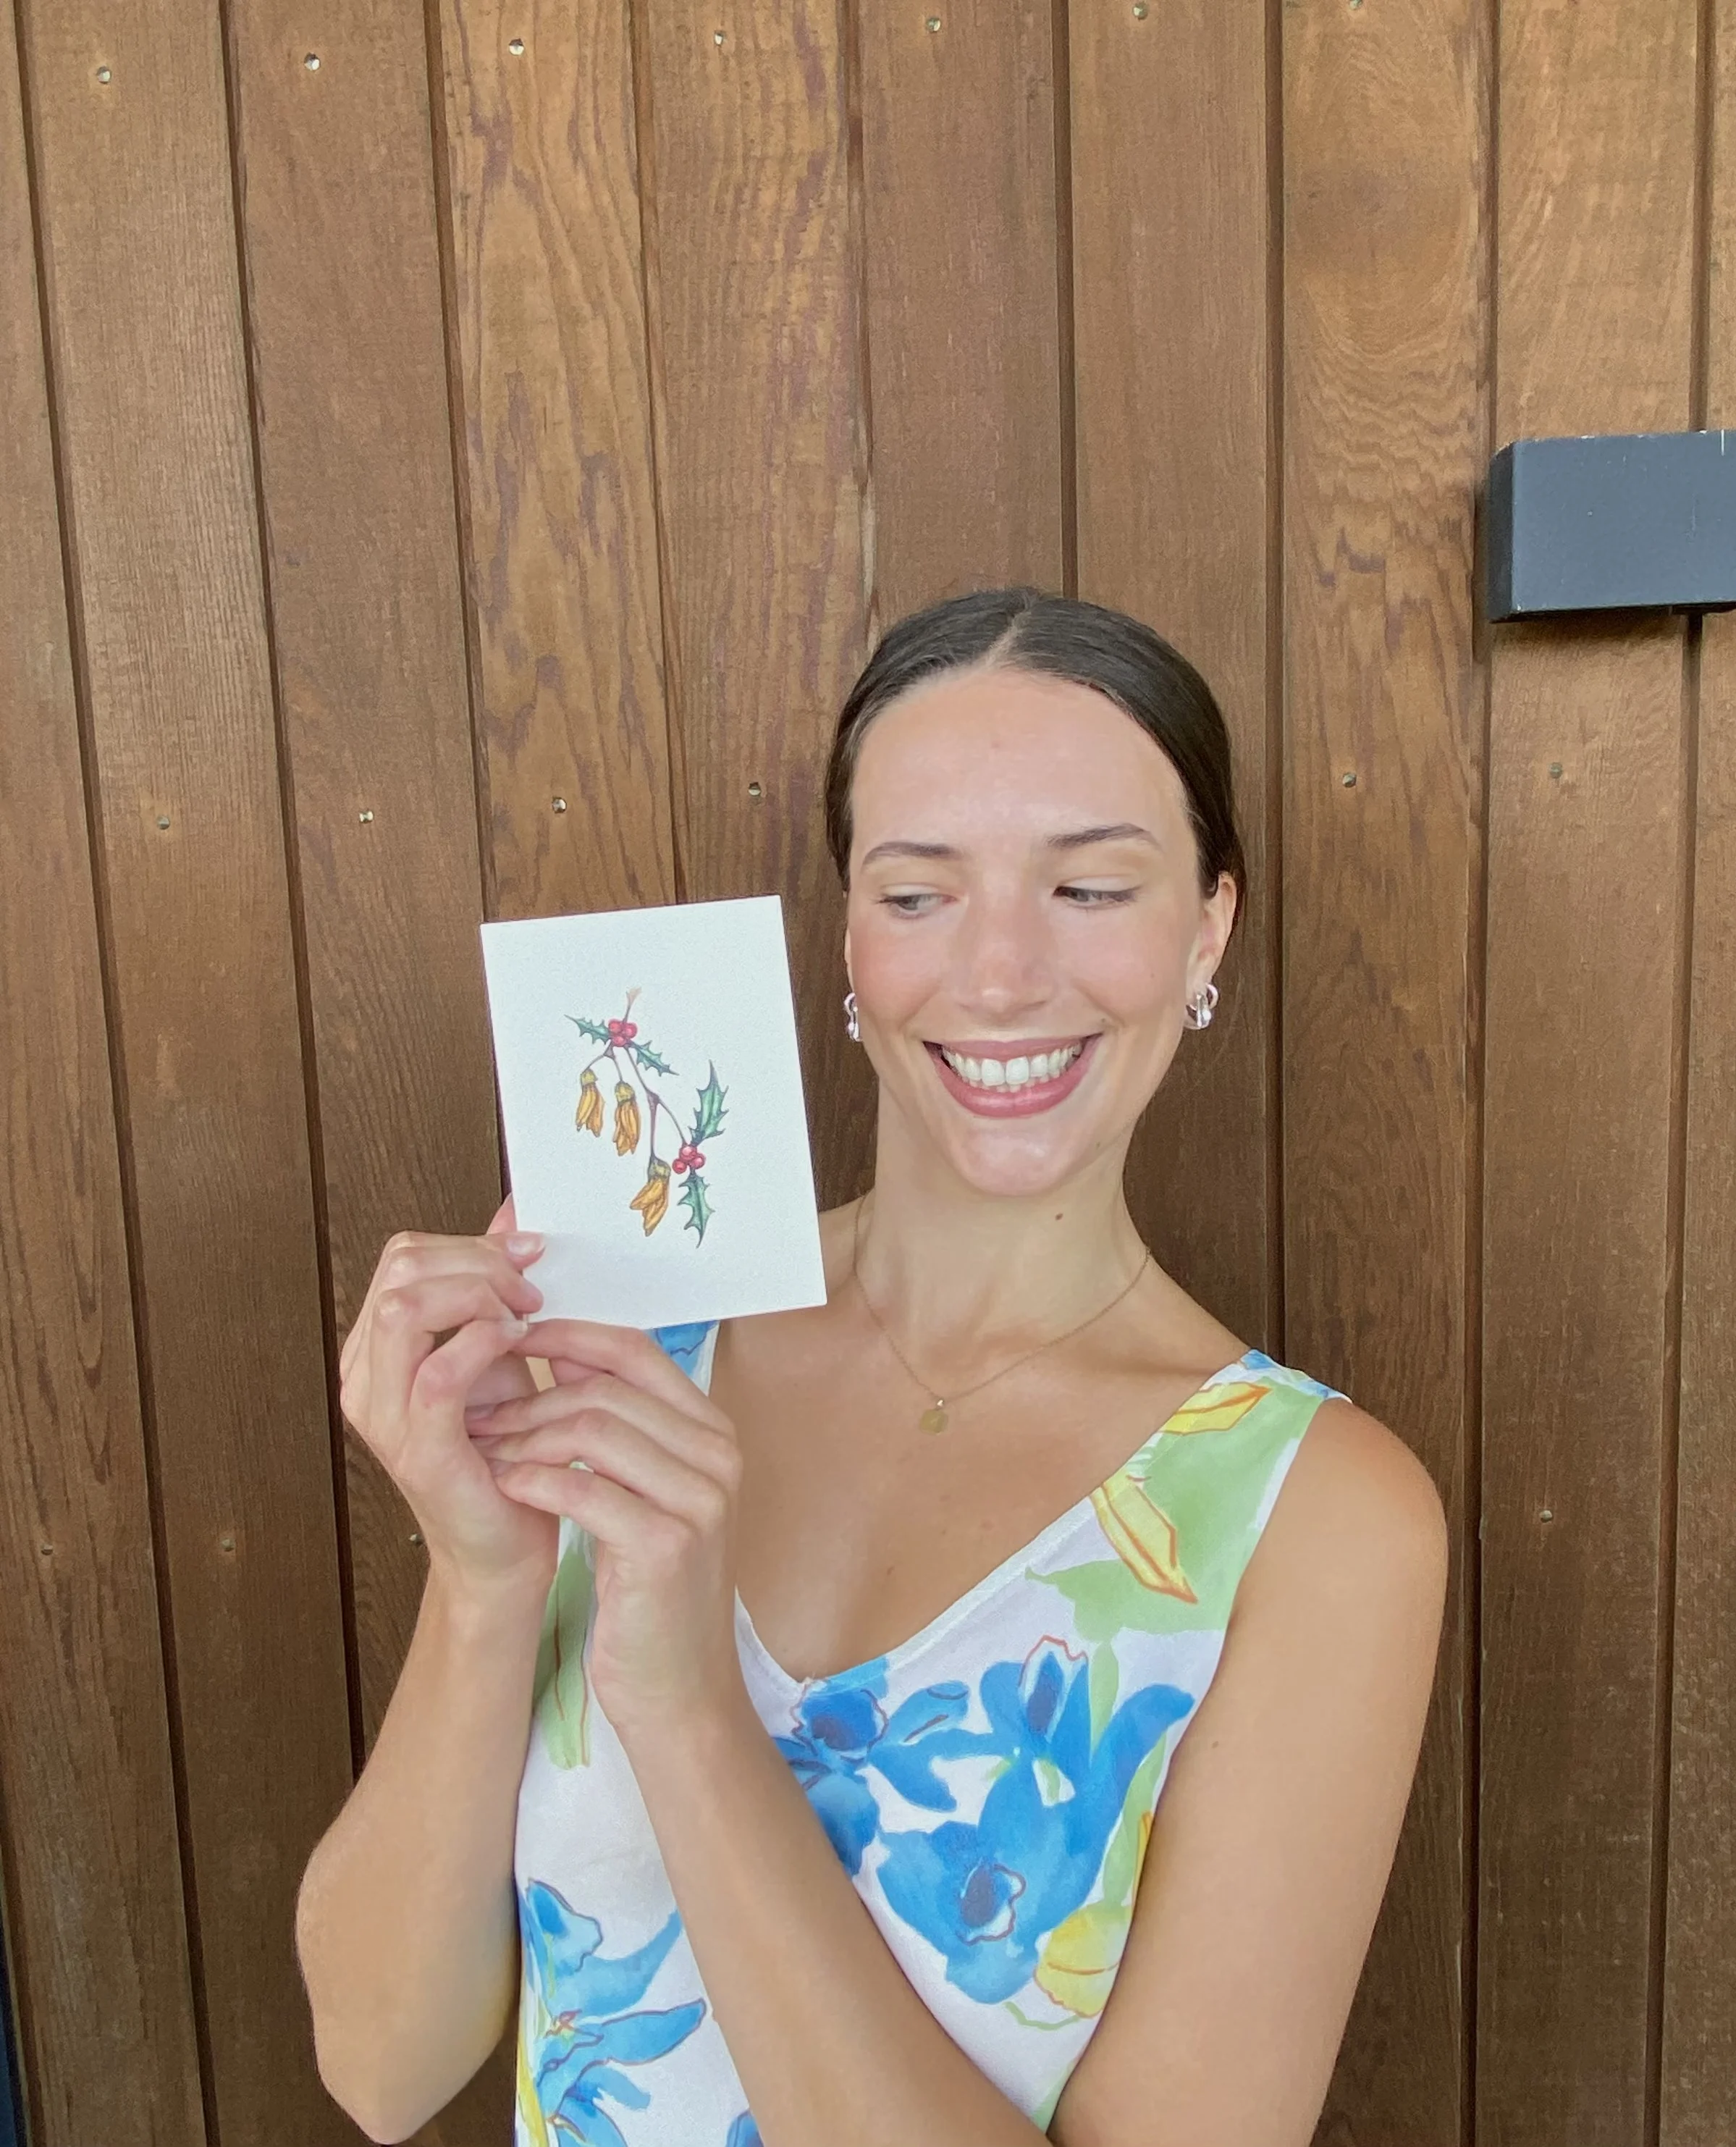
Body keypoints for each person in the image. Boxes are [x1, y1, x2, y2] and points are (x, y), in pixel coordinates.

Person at [297, 587, 1447, 2147]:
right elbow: (379, 2066)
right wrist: (488, 1578)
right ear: (849, 940)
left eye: (1091, 887)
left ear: (1208, 924)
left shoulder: (1316, 1518)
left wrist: (689, 1716)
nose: (995, 976)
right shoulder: (630, 1342)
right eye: (916, 897)